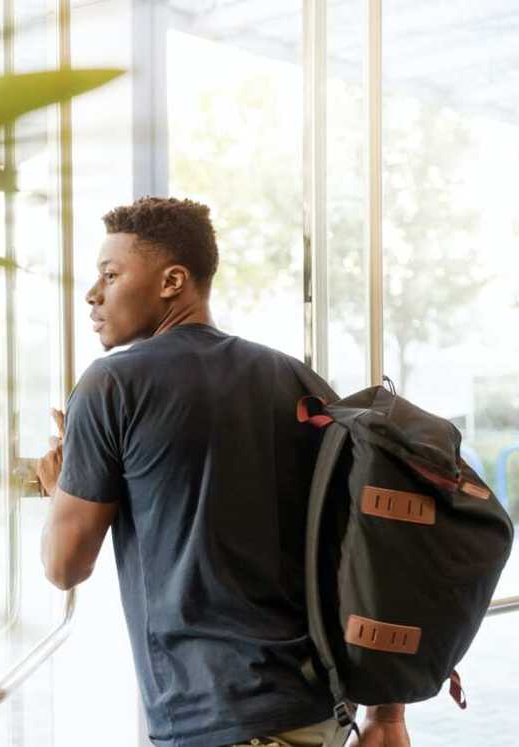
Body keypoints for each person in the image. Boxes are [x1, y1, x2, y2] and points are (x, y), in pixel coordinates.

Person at [34, 197, 410, 747]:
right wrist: (387, 716)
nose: (93, 294)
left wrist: (59, 490)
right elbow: (364, 543)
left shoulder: (111, 386)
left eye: (110, 275)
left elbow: (63, 566)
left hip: (217, 718)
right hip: (320, 710)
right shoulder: (297, 381)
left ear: (173, 281)